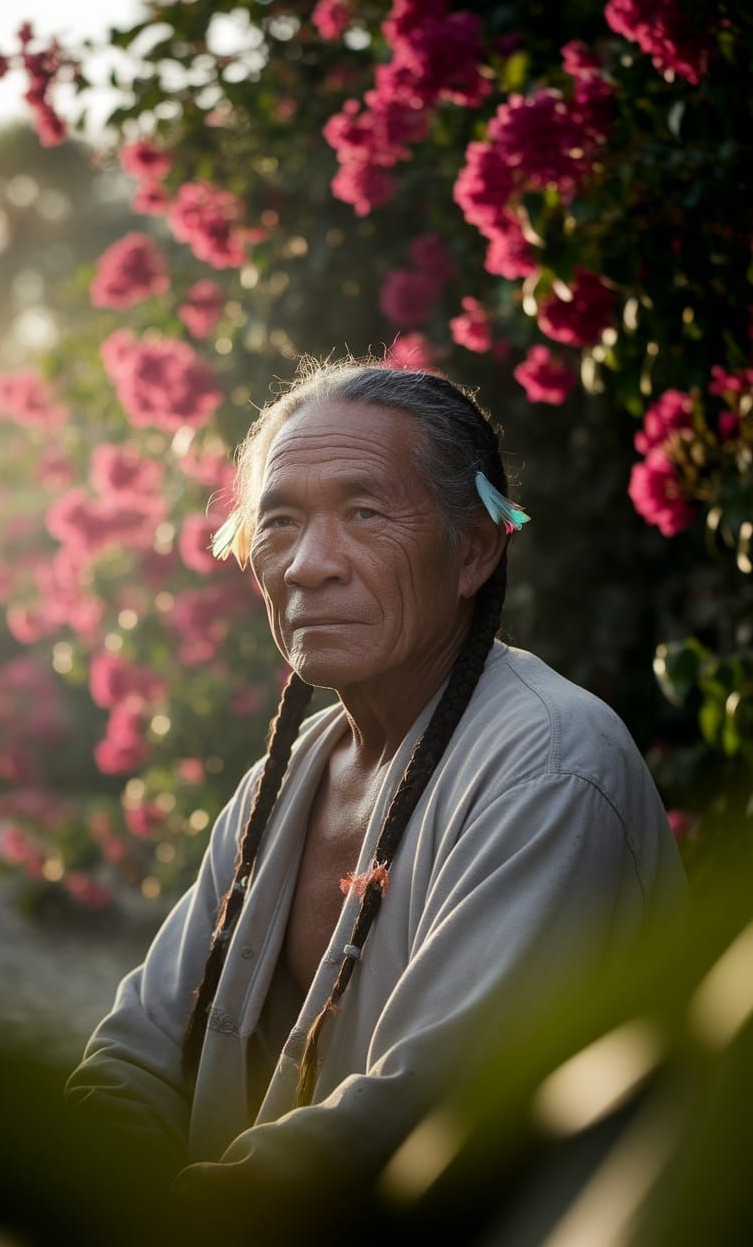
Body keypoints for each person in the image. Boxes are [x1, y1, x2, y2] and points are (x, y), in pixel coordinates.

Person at [65, 359, 685, 1224]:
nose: (310, 566)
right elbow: (138, 1050)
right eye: (279, 522)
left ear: (472, 547)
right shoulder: (281, 782)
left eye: (363, 512)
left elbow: (424, 1109)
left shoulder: (549, 765)